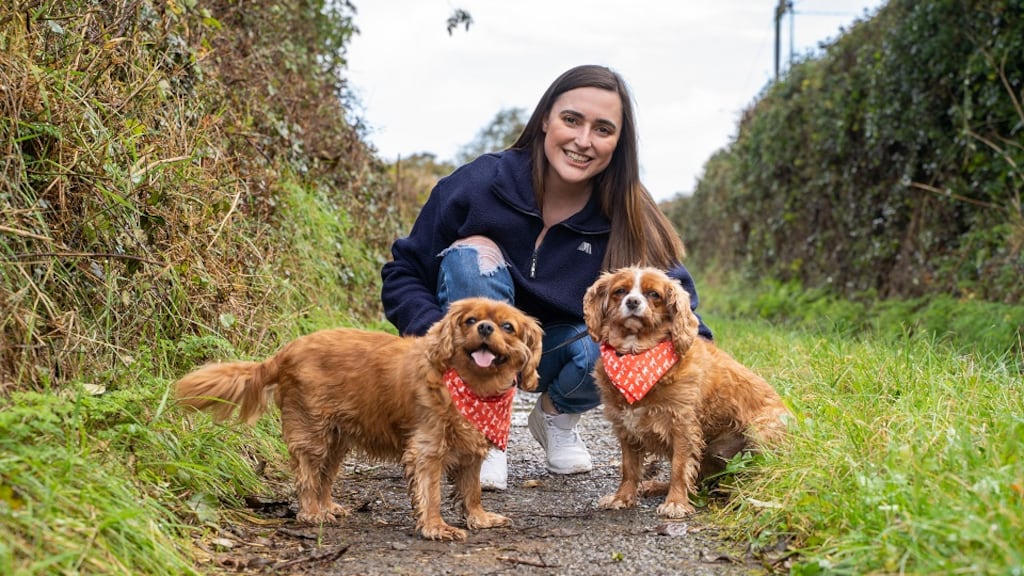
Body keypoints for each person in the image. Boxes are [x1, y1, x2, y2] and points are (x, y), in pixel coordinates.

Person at [381, 64, 713, 491]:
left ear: (618, 143)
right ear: (545, 119)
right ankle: (484, 429)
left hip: (560, 347)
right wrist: (436, 335)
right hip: (476, 347)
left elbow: (677, 303)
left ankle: (557, 415)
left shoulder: (630, 211)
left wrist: (709, 375)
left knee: (618, 337)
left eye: (603, 129)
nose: (583, 140)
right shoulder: (477, 184)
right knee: (470, 256)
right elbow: (403, 273)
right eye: (571, 120)